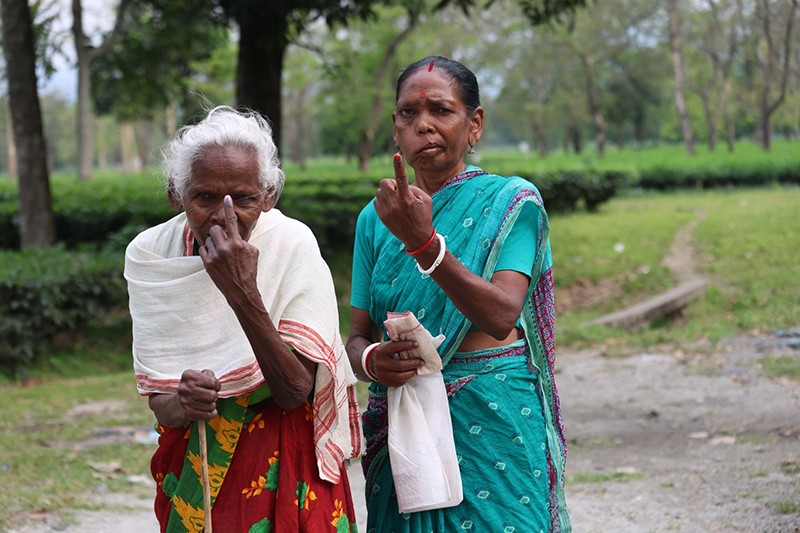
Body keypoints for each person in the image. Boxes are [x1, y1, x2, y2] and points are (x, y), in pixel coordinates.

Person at [346, 56, 570, 531]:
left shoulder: (511, 203)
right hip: (406, 418)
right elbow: (355, 338)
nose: (423, 125)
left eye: (441, 111)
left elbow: (502, 315)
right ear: (394, 127)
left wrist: (424, 244)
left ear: (474, 124)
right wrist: (372, 362)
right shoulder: (375, 217)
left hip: (493, 410)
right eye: (409, 113)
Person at [124, 106, 362, 532]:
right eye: (205, 197)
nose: (224, 216)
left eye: (245, 199)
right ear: (176, 196)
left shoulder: (293, 246)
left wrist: (241, 291)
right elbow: (160, 402)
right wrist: (184, 401)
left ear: (268, 196)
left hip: (284, 461)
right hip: (196, 469)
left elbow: (294, 390)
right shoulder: (152, 255)